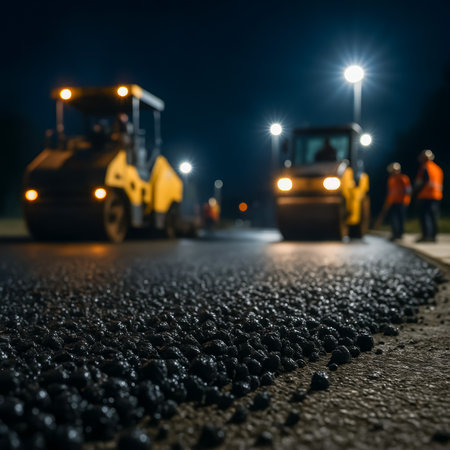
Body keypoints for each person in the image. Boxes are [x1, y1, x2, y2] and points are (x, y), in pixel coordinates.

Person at [414, 149, 444, 242]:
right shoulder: (437, 169)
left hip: (425, 195)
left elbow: (423, 181)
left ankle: (426, 236)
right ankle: (433, 236)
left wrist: (416, 191)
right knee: (433, 216)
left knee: (424, 216)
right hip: (436, 195)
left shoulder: (425, 167)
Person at [380, 162, 411, 240]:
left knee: (401, 219)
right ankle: (395, 234)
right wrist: (387, 202)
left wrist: (406, 200)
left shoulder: (403, 178)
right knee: (394, 219)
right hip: (393, 202)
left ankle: (400, 234)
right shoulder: (391, 179)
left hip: (402, 202)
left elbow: (408, 190)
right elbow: (390, 192)